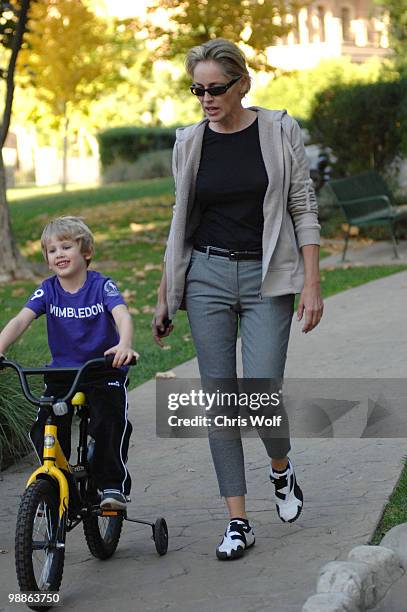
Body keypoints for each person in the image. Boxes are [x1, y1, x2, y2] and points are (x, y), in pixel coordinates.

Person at [152, 38, 323, 560]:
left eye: (216, 88)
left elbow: (302, 204)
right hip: (206, 275)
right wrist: (165, 295)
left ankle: (280, 467)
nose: (206, 97)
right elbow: (179, 224)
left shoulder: (277, 130)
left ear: (242, 84)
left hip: (267, 276)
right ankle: (238, 521)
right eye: (197, 89)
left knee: (261, 390)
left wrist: (311, 282)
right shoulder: (189, 141)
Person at [0, 216, 138, 510]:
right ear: (48, 261)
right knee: (43, 427)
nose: (59, 254)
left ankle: (111, 484)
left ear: (85, 251)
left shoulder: (101, 286)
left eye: (66, 247)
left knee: (109, 420)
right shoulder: (47, 290)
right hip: (63, 373)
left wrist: (124, 345)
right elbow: (21, 319)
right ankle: (58, 481)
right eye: (52, 250)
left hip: (102, 369)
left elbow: (122, 315)